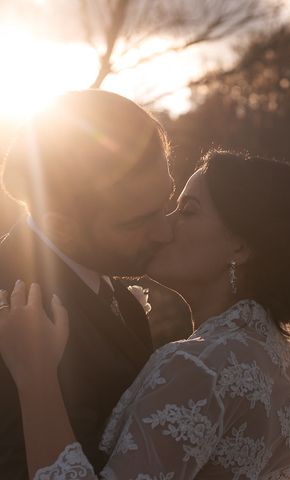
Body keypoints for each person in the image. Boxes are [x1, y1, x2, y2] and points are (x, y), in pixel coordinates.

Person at [0, 150, 290, 479]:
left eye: (188, 211)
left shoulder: (199, 366)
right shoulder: (287, 365)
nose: (165, 225)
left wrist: (36, 376)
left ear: (240, 246)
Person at [0, 89, 174, 478]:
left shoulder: (118, 297)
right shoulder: (13, 309)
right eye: (138, 221)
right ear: (58, 224)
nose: (165, 232)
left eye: (167, 203)